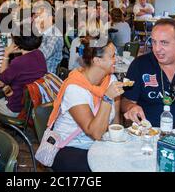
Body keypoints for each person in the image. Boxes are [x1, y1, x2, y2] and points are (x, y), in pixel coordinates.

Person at [49, 36, 124, 172]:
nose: (117, 59)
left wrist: (117, 143)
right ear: (97, 60)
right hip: (71, 148)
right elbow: (94, 132)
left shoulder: (111, 80)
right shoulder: (75, 88)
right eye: (113, 56)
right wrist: (107, 98)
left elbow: (115, 122)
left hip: (99, 145)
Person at [0, 26, 47, 117]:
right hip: (34, 105)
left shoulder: (18, 62)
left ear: (17, 42)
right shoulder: (40, 54)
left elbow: (2, 78)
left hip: (16, 108)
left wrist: (6, 54)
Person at [35, 5, 63, 74]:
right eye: (36, 16)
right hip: (36, 72)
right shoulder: (43, 32)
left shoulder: (55, 35)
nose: (37, 19)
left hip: (46, 77)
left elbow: (42, 56)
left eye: (41, 17)